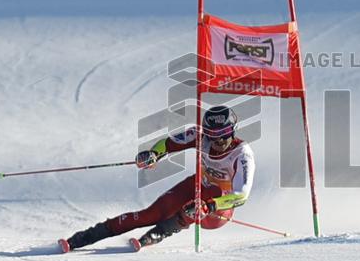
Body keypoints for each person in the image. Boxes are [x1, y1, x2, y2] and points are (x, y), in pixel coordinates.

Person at [58, 105, 254, 252]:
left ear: (233, 130)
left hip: (220, 206)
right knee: (151, 214)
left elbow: (241, 196)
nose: (218, 141)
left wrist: (210, 206)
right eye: (213, 135)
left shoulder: (242, 155)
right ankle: (81, 239)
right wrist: (153, 155)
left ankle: (157, 234)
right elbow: (168, 144)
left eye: (224, 134)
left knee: (193, 208)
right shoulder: (200, 135)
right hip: (197, 184)